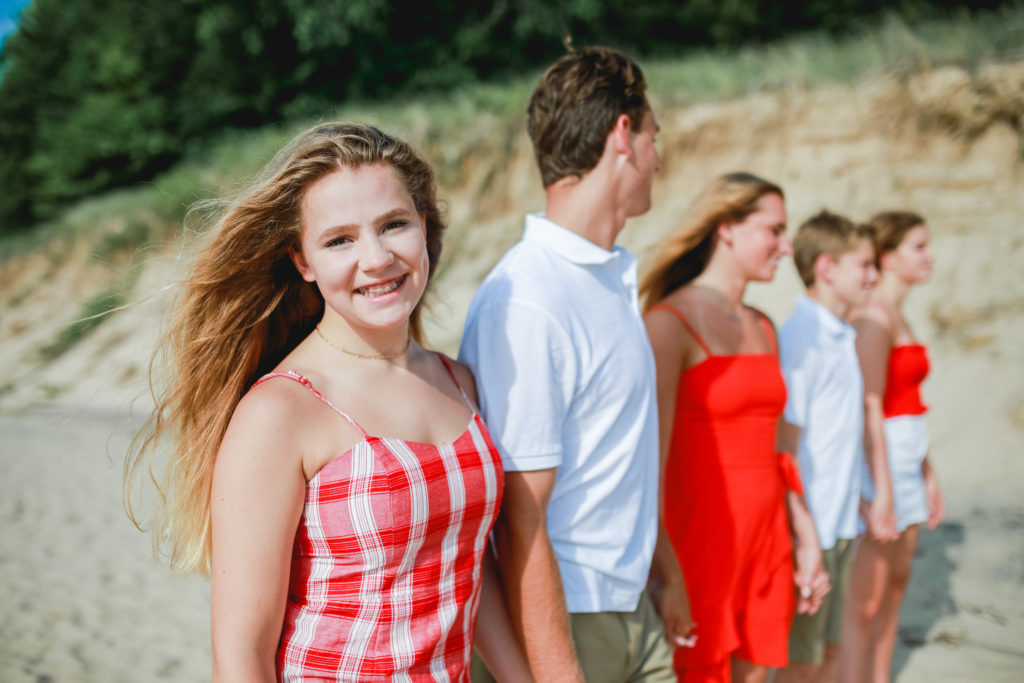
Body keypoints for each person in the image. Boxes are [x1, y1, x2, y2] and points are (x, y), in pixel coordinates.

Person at [124, 122, 531, 682]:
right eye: (340, 239)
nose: (378, 257)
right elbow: (242, 655)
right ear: (304, 262)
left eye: (394, 224)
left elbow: (464, 567)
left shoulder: (458, 381)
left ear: (424, 227)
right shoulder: (280, 413)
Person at [458, 46, 680, 682]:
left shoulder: (607, 278)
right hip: (570, 621)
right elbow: (518, 516)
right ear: (623, 136)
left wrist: (658, 576)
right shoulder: (528, 298)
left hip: (630, 608)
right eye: (653, 136)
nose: (658, 158)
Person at [640, 172, 830, 683]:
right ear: (727, 228)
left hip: (767, 541)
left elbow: (780, 444)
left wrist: (806, 535)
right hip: (698, 545)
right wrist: (667, 572)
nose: (786, 247)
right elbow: (647, 462)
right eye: (774, 230)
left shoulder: (763, 325)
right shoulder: (667, 323)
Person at [838, 211, 945, 683]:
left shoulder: (897, 311)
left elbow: (909, 405)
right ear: (888, 256)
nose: (930, 256)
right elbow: (868, 406)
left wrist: (927, 470)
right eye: (918, 247)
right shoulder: (870, 315)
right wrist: (879, 487)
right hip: (879, 467)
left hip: (907, 461)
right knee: (865, 598)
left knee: (897, 587)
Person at [774, 211, 879, 683]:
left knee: (828, 654)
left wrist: (860, 497)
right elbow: (787, 444)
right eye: (864, 264)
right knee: (804, 660)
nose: (873, 276)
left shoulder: (842, 334)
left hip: (840, 521)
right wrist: (803, 531)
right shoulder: (802, 338)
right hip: (813, 526)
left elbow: (841, 436)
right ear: (826, 267)